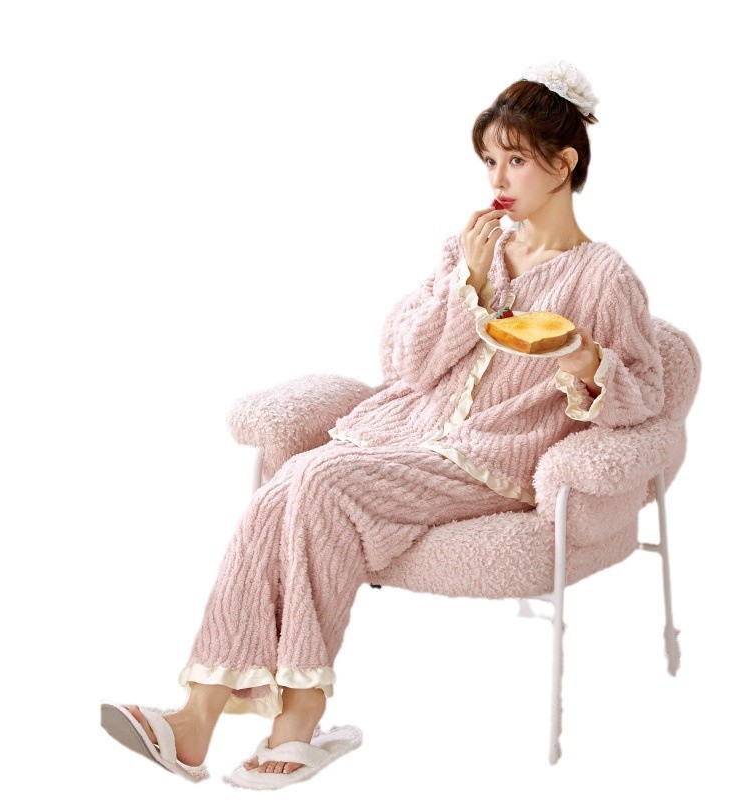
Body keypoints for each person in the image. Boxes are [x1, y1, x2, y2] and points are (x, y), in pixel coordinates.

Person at [100, 60, 665, 787]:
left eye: (516, 160)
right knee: (286, 489)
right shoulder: (473, 250)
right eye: (489, 160)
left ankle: (285, 723)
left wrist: (586, 360)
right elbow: (408, 361)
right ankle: (200, 721)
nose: (498, 178)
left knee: (315, 477)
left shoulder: (605, 277)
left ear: (564, 163)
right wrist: (469, 283)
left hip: (493, 459)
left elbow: (646, 392)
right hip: (410, 432)